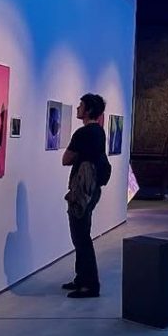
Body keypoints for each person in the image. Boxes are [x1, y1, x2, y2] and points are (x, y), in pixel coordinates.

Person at [61, 93, 108, 298]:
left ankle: (90, 284)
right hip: (93, 189)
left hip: (82, 190)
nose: (78, 109)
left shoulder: (83, 133)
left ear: (88, 110)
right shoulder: (99, 132)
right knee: (82, 234)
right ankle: (82, 278)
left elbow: (66, 159)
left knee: (80, 237)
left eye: (81, 106)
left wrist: (77, 154)